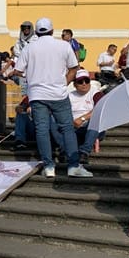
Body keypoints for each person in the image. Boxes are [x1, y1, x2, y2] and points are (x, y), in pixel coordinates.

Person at [13, 17, 93, 178]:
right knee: (67, 129)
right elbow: (74, 67)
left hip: (37, 94)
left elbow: (18, 70)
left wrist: (31, 76)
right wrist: (65, 82)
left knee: (41, 130)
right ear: (52, 30)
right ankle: (73, 165)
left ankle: (49, 166)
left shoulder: (29, 48)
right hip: (58, 93)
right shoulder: (63, 45)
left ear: (36, 31)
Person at [52, 69, 105, 165]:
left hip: (90, 127)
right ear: (75, 85)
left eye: (87, 81)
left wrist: (82, 119)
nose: (84, 84)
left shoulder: (96, 93)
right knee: (51, 119)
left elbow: (100, 109)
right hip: (71, 127)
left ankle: (83, 153)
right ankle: (65, 149)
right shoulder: (69, 95)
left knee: (96, 118)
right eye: (80, 82)